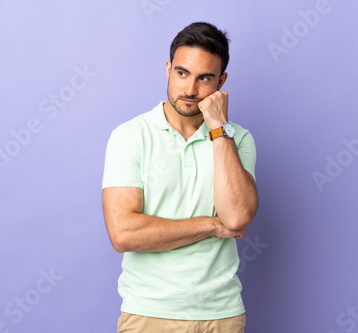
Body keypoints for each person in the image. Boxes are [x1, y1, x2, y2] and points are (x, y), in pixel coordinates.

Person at [102, 21, 258, 333]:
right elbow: (124, 234)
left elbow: (238, 217)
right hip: (149, 313)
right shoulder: (130, 136)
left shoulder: (236, 139)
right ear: (168, 69)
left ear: (221, 82)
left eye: (205, 78)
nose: (190, 89)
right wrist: (214, 224)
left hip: (222, 314)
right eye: (182, 73)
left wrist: (217, 128)